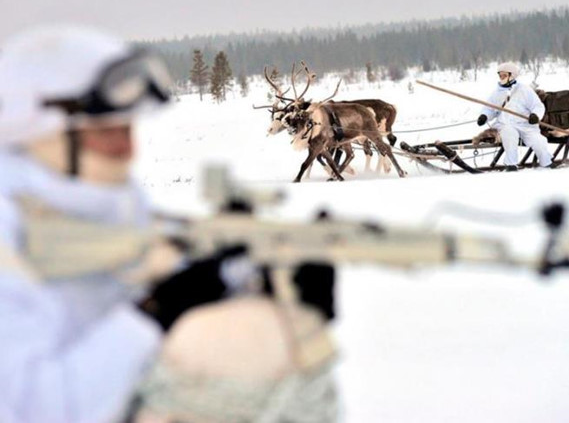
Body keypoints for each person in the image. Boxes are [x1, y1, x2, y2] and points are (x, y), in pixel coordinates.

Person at [0, 25, 336, 422]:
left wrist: (250, 278)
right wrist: (157, 313)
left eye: (127, 128)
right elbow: (35, 409)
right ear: (40, 131)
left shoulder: (106, 201)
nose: (127, 148)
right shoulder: (11, 228)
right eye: (105, 132)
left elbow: (146, 270)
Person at [476, 62, 553, 170]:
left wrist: (535, 116)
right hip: (505, 124)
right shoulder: (497, 92)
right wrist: (484, 116)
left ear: (512, 75)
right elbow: (489, 109)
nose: (501, 78)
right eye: (500, 75)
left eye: (504, 75)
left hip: (526, 125)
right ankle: (511, 164)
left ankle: (547, 163)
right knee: (509, 135)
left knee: (539, 141)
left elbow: (538, 106)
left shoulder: (524, 90)